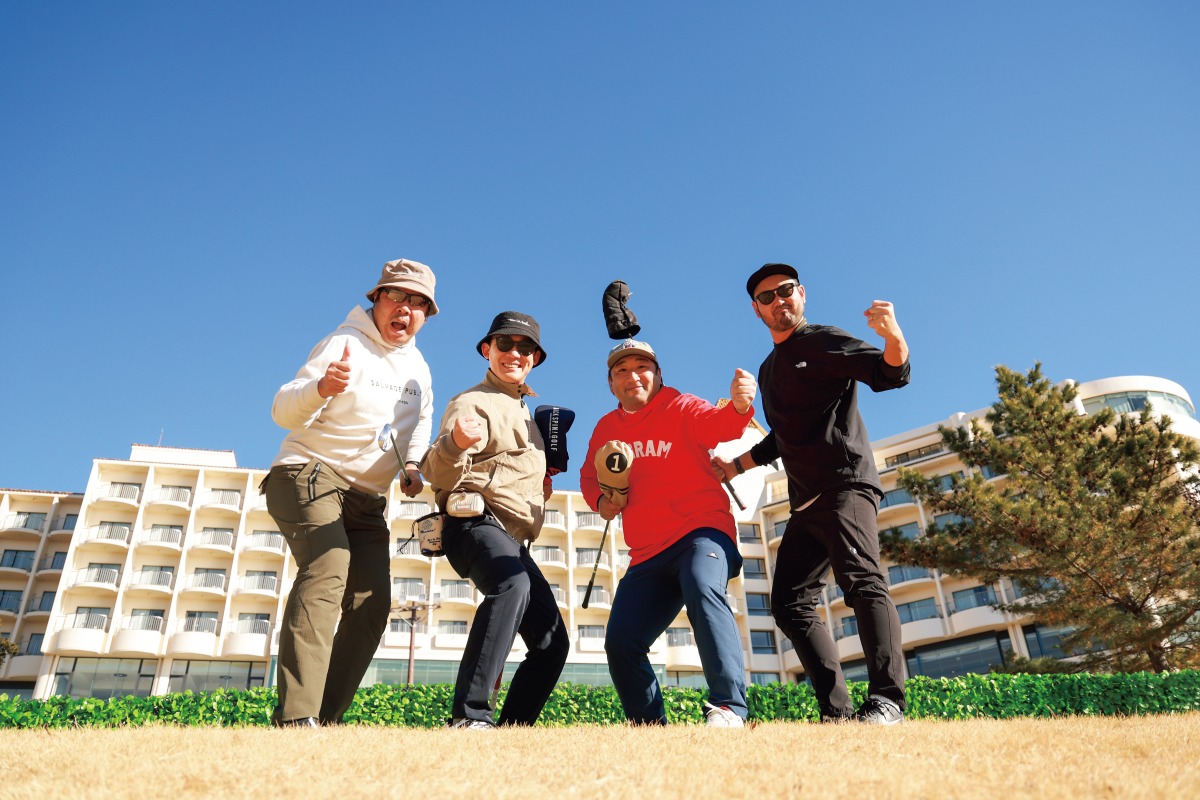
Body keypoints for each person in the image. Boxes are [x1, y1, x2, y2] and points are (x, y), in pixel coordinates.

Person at [712, 263, 911, 725]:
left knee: (862, 582)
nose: (778, 301)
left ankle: (887, 700)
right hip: (804, 502)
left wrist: (893, 335)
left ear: (801, 293)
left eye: (785, 291)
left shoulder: (823, 341)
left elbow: (889, 374)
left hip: (845, 483)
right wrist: (735, 465)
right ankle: (836, 712)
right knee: (789, 603)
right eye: (767, 297)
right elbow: (783, 436)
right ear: (757, 310)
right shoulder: (768, 370)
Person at [262, 258, 438, 727]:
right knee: (328, 569)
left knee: (371, 603)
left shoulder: (419, 369)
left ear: (426, 315)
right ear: (376, 299)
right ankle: (296, 717)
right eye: (396, 296)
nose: (405, 309)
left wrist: (413, 466)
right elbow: (282, 410)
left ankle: (325, 719)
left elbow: (419, 426)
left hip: (368, 500)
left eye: (418, 303)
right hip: (308, 474)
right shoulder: (344, 342)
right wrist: (321, 388)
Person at [580, 338, 757, 727]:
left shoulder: (682, 405)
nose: (632, 376)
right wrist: (601, 502)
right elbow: (590, 477)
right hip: (646, 552)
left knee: (702, 586)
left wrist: (740, 406)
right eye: (621, 371)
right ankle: (648, 726)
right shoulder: (606, 428)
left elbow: (720, 425)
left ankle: (729, 707)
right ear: (611, 384)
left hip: (701, 531)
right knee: (621, 641)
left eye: (642, 367)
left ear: (659, 375)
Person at [420, 311, 569, 729]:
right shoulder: (472, 402)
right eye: (505, 343)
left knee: (552, 642)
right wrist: (454, 443)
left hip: (513, 540)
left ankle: (511, 730)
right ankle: (469, 716)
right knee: (511, 584)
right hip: (472, 523)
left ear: (535, 358)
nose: (514, 353)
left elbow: (508, 474)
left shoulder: (528, 415)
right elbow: (436, 472)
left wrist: (538, 489)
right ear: (487, 349)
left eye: (526, 347)